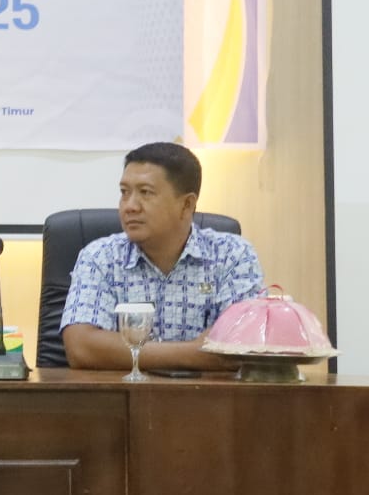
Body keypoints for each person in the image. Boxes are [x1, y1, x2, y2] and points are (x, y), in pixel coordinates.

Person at [61, 141, 262, 370]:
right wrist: (196, 353)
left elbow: (241, 346)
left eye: (145, 193)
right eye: (124, 192)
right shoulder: (100, 257)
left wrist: (121, 350)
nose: (130, 206)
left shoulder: (232, 255)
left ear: (187, 205)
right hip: (121, 392)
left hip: (207, 394)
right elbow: (81, 348)